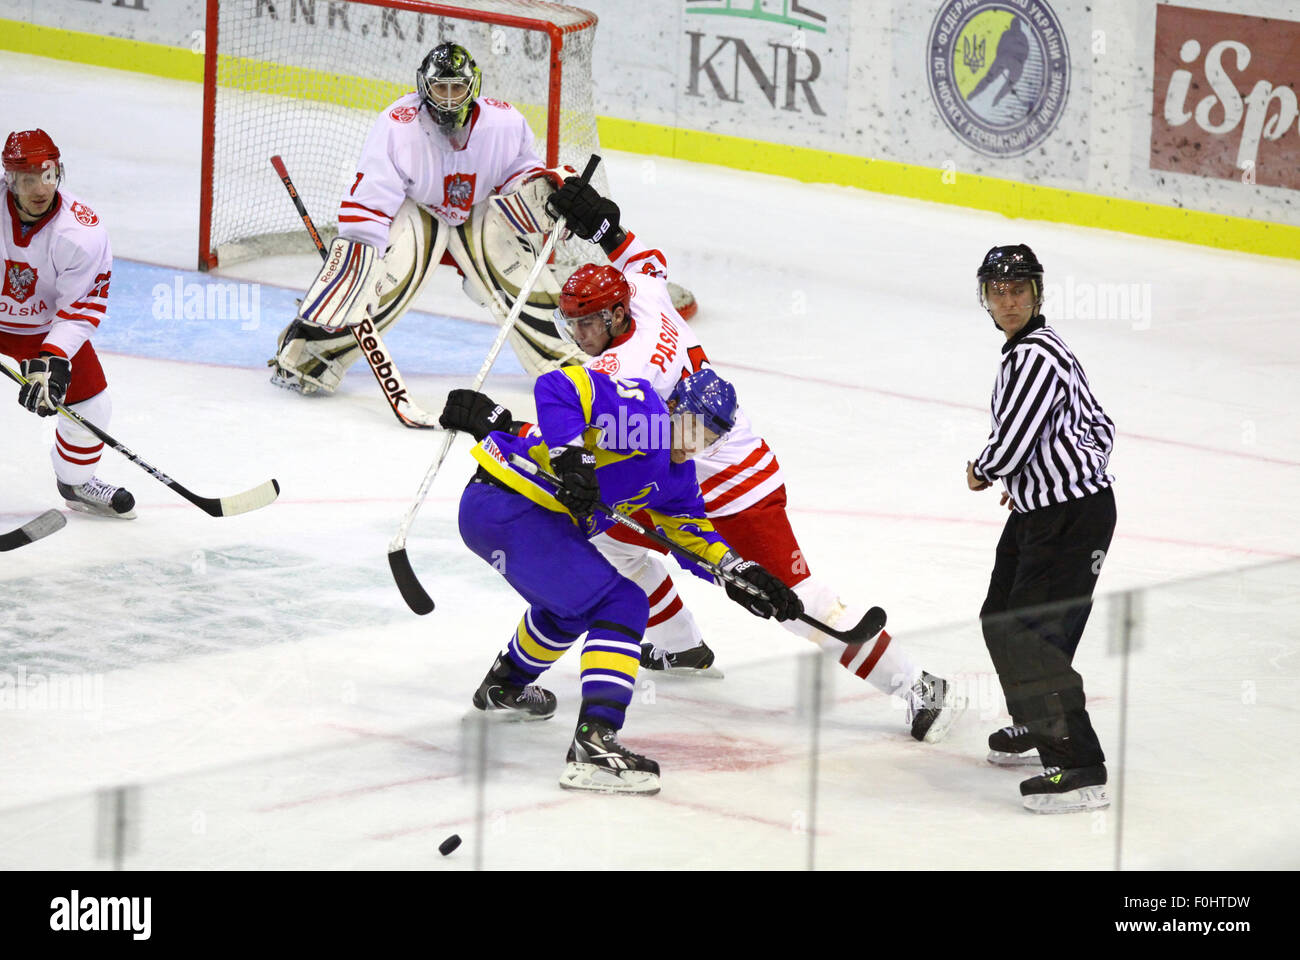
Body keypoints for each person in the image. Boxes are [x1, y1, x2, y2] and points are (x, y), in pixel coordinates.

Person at [541, 176, 963, 743]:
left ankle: (917, 685)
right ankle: (681, 644)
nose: (580, 334)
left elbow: (589, 417)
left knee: (795, 603)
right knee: (606, 533)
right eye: (574, 324)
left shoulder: (626, 371)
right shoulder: (643, 294)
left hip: (729, 487)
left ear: (615, 317)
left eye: (589, 324)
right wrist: (604, 229)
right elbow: (644, 258)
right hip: (690, 476)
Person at [439, 366, 803, 795]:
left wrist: (740, 572)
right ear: (674, 409)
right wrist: (572, 455)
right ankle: (594, 743)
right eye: (694, 426)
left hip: (517, 516)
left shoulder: (678, 476)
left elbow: (691, 534)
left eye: (710, 436)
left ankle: (504, 688)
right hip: (508, 500)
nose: (696, 443)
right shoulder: (642, 413)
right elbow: (557, 386)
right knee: (622, 603)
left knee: (572, 608)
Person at [269, 41, 581, 394]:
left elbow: (520, 173)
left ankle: (567, 365)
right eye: (440, 88)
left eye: (457, 87)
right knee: (376, 284)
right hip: (418, 210)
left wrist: (549, 194)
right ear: (424, 87)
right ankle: (307, 354)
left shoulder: (504, 123)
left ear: (473, 87)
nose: (449, 98)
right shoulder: (397, 124)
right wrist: (360, 260)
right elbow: (374, 194)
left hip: (479, 211)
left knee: (520, 277)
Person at [966, 244, 1117, 813]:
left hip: (1069, 522)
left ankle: (1078, 764)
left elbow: (1009, 445)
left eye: (1018, 290)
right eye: (997, 292)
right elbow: (1098, 427)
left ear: (1037, 294)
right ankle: (1036, 720)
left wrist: (986, 472)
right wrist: (1039, 481)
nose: (1008, 301)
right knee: (1002, 619)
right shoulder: (1039, 349)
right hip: (1043, 512)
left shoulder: (1035, 356)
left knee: (1031, 636)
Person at [1, 129, 135, 518]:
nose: (40, 188)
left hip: (42, 328)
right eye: (27, 179)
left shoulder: (82, 232)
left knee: (92, 404)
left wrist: (52, 359)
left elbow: (80, 307)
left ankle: (76, 483)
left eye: (48, 175)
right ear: (10, 180)